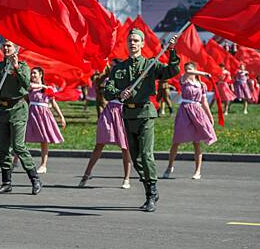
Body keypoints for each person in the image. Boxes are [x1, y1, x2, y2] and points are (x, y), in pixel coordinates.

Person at [104, 29, 180, 212]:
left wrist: (171, 51)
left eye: (136, 40)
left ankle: (151, 193)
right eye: (130, 40)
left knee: (146, 155)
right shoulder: (119, 68)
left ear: (142, 43)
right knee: (136, 158)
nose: (133, 43)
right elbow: (107, 90)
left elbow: (172, 70)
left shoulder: (150, 64)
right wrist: (118, 94)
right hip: (128, 116)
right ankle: (149, 189)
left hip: (145, 114)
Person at [0, 40, 42, 195]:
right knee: (3, 148)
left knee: (18, 146)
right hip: (2, 110)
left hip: (17, 108)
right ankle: (6, 182)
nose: (5, 47)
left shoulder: (23, 66)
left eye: (9, 45)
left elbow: (26, 85)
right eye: (4, 45)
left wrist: (16, 67)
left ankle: (35, 179)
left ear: (16, 49)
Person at [79, 63, 132, 189]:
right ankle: (86, 174)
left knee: (125, 147)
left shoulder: (130, 80)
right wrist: (107, 73)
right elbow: (100, 85)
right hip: (109, 111)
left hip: (123, 112)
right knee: (99, 144)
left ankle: (126, 178)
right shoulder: (108, 79)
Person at [162, 62, 217, 180]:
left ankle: (197, 171)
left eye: (190, 69)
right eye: (186, 69)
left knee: (197, 142)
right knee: (176, 141)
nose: (188, 71)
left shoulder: (201, 85)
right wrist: (202, 73)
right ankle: (169, 166)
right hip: (185, 111)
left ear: (195, 70)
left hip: (197, 112)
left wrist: (210, 116)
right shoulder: (184, 80)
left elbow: (204, 102)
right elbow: (186, 73)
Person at [24, 67, 65, 174]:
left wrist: (61, 116)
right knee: (22, 138)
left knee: (44, 140)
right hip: (31, 113)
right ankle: (15, 161)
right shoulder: (31, 86)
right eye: (31, 73)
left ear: (41, 74)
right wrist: (43, 86)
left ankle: (43, 165)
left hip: (43, 114)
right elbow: (29, 87)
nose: (32, 75)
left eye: (35, 73)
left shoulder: (49, 88)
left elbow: (54, 103)